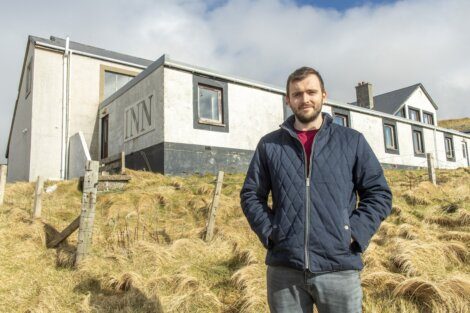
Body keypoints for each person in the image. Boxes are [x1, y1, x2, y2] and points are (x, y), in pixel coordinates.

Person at [240, 67, 392, 313]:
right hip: (284, 270)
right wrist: (270, 232)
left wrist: (353, 232)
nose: (305, 99)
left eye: (311, 92)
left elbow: (379, 193)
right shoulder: (270, 145)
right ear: (288, 100)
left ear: (324, 95)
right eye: (297, 94)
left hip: (339, 266)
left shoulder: (352, 141)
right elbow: (251, 195)